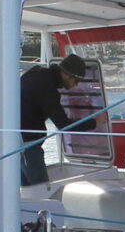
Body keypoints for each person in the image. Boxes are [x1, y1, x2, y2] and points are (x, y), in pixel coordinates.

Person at [17, 54, 93, 187]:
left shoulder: (37, 73)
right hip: (27, 146)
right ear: (67, 74)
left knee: (27, 193)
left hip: (14, 144)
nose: (76, 85)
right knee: (43, 191)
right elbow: (64, 125)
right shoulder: (47, 87)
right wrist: (95, 121)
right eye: (76, 80)